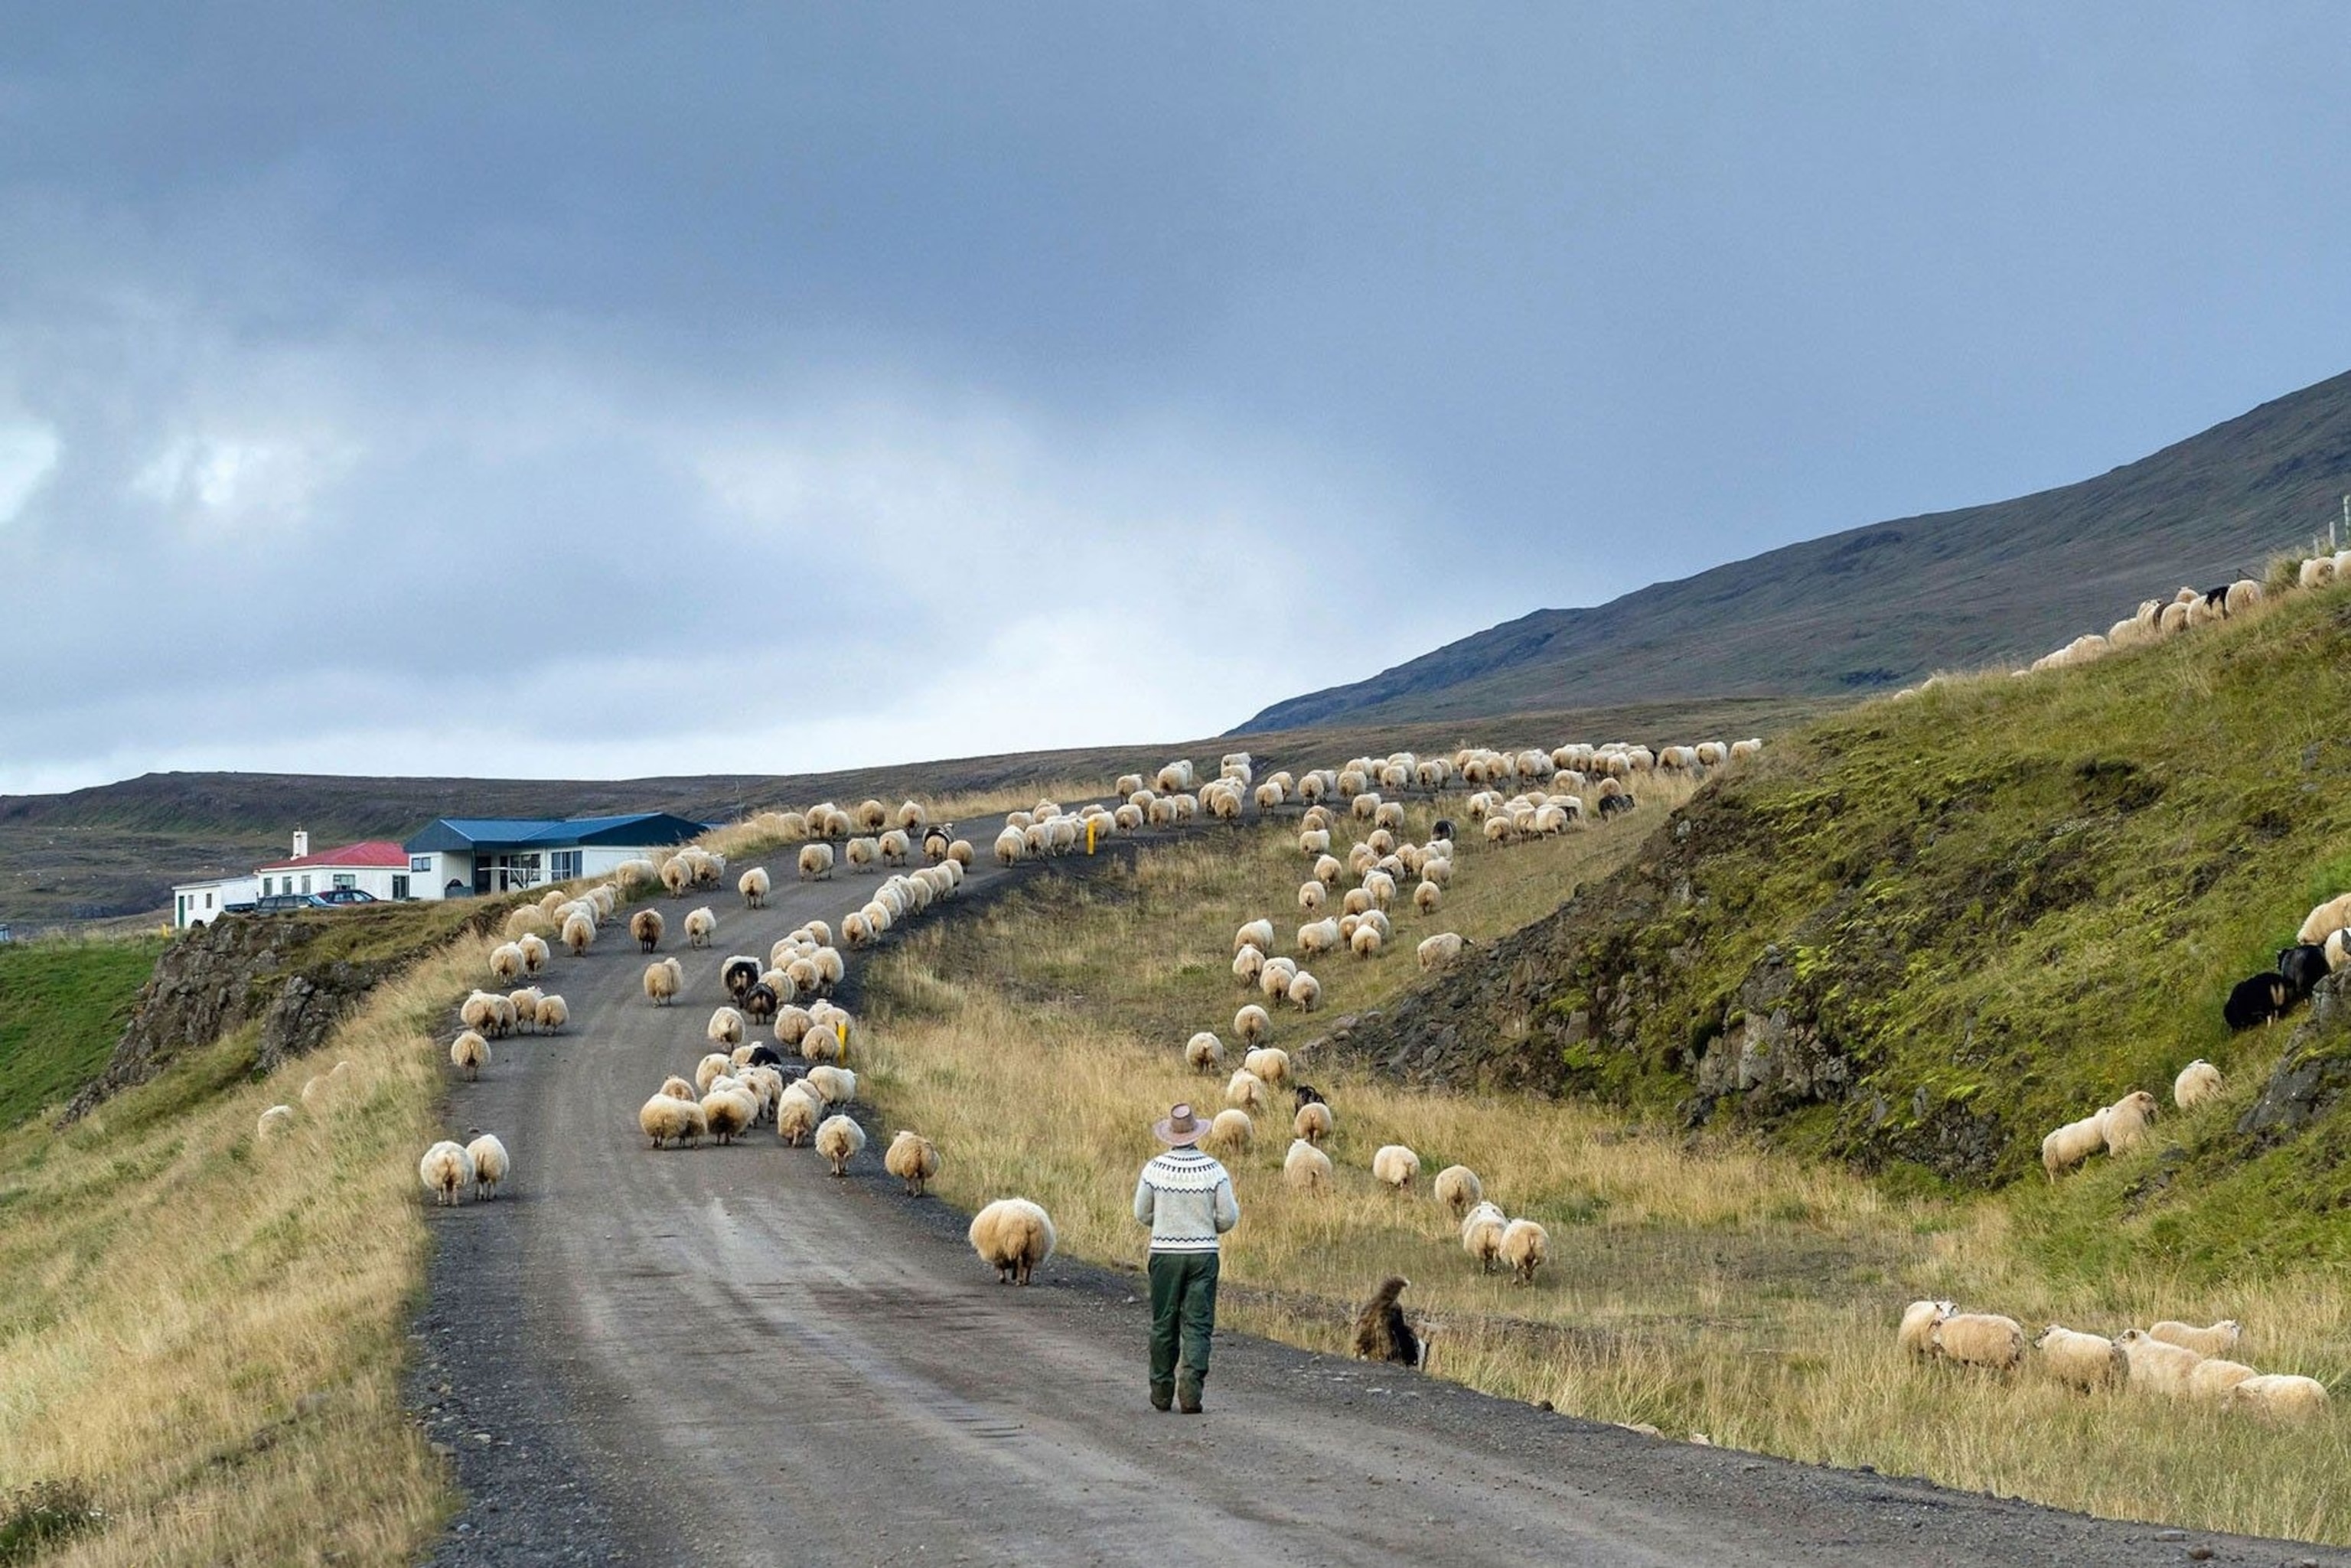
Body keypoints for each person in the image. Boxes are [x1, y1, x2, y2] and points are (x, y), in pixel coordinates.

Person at [1132, 1103, 1240, 1413]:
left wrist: (1166, 1222)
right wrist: (1206, 1226)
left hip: (1165, 1254)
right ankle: (1191, 1394)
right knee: (1198, 1323)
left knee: (1164, 1321)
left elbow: (1141, 1212)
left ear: (1169, 1135)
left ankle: (1162, 1391)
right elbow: (1227, 1217)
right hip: (1204, 1254)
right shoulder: (1214, 1170)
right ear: (1197, 1134)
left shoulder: (1154, 1169)